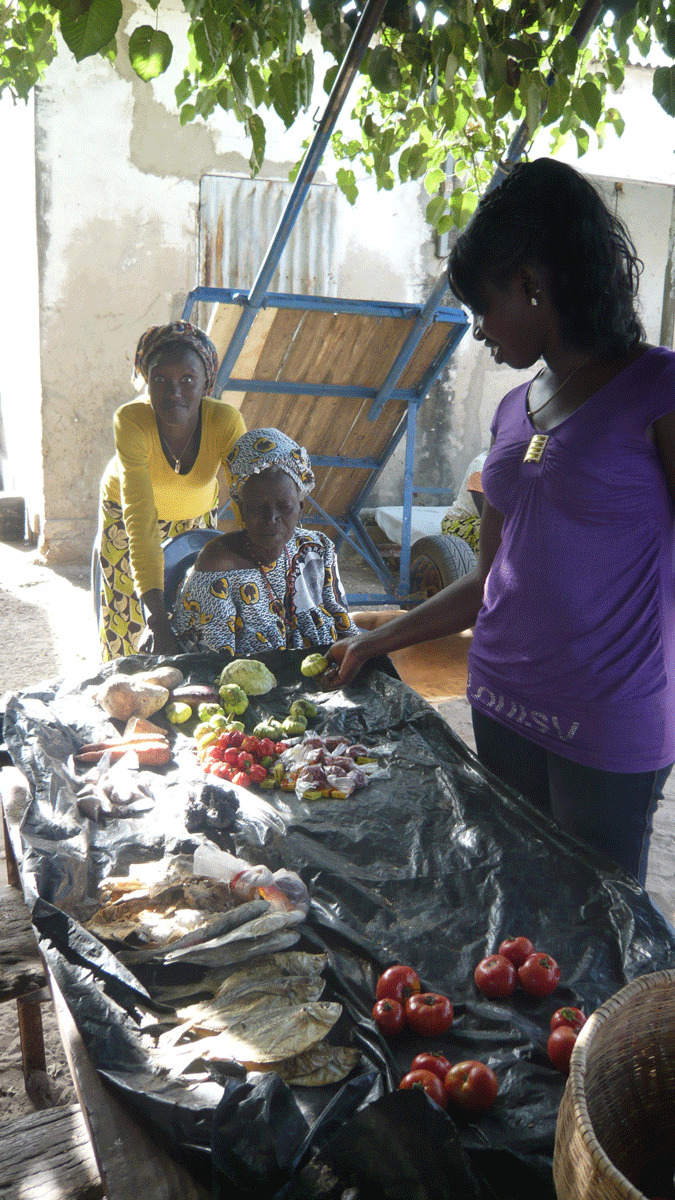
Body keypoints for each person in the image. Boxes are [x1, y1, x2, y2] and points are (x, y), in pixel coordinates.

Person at [326, 157, 675, 886]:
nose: (477, 330)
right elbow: (492, 580)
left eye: (481, 306)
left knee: (602, 923)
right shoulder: (513, 411)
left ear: (530, 283)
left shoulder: (659, 388)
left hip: (604, 719)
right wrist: (377, 636)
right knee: (516, 900)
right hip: (499, 701)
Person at [96, 321, 246, 659]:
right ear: (146, 381)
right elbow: (140, 520)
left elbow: (245, 503)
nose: (173, 391)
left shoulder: (225, 423)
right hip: (128, 518)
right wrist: (155, 619)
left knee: (201, 613)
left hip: (196, 515)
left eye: (187, 380)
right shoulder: (132, 421)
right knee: (130, 621)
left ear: (207, 384)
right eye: (159, 380)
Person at [171, 428, 358, 656]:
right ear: (242, 509)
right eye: (258, 508)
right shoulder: (219, 564)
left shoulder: (317, 549)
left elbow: (344, 628)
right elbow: (213, 663)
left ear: (300, 508)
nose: (271, 518)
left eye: (284, 507)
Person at [440, 448, 488, 552]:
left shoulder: (512, 466)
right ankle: (484, 568)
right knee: (489, 531)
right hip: (459, 521)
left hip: (479, 518)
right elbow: (486, 516)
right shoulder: (481, 466)